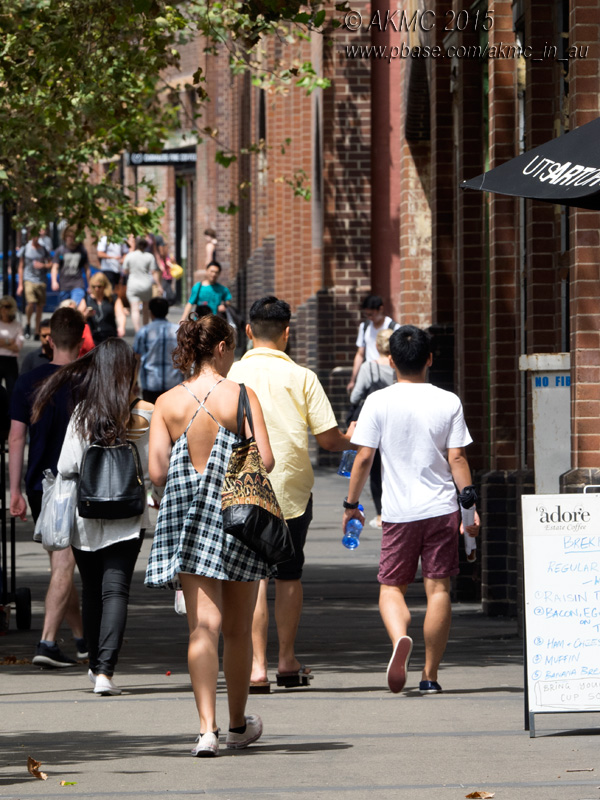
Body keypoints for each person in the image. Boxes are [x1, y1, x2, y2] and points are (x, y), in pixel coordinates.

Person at [145, 313, 273, 757]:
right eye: (232, 348)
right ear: (220, 348)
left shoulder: (166, 403)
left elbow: (157, 471)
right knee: (237, 629)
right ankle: (238, 724)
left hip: (189, 523)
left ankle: (206, 731)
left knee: (203, 626)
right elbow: (268, 460)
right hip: (236, 521)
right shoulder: (241, 396)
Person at [343, 325, 480, 695]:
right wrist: (469, 507)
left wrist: (351, 504)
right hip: (441, 509)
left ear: (391, 362)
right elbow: (458, 458)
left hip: (399, 513)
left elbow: (364, 458)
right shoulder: (448, 401)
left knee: (391, 587)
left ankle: (400, 636)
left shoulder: (378, 401)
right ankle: (430, 675)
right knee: (438, 589)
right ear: (430, 359)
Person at [228, 296, 354, 692]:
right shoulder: (303, 377)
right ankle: (286, 660)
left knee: (253, 579)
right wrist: (351, 438)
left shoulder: (230, 375)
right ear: (287, 333)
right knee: (288, 575)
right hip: (293, 489)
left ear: (248, 331)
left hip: (244, 489)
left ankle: (256, 668)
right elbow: (329, 440)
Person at [33, 339, 153, 696]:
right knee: (116, 590)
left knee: (91, 590)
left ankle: (93, 665)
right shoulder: (144, 414)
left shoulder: (84, 413)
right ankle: (105, 671)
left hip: (85, 516)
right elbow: (151, 468)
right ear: (128, 370)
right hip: (129, 515)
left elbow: (67, 466)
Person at [9, 307, 86, 667]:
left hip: (40, 485)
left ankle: (82, 638)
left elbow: (16, 438)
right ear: (81, 339)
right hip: (77, 483)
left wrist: (14, 491)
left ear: (49, 339)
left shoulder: (28, 381)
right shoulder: (89, 379)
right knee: (64, 565)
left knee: (60, 563)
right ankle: (47, 643)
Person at [349, 328, 396, 529]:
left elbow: (355, 396)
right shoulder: (398, 367)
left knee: (375, 469)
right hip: (396, 422)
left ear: (376, 346)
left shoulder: (370, 367)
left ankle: (380, 513)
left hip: (376, 425)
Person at [347, 295, 399, 394]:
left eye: (372, 314)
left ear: (381, 309)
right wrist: (353, 380)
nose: (370, 318)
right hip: (370, 373)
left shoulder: (393, 327)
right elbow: (360, 354)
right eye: (367, 315)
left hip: (389, 371)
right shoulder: (365, 327)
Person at [133, 296, 182, 402]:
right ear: (167, 311)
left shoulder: (144, 332)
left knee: (152, 415)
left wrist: (134, 382)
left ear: (151, 312)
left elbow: (136, 359)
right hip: (174, 384)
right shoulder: (178, 331)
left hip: (151, 384)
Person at [17, 230, 52, 340]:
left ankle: (37, 330)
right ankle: (28, 324)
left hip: (40, 280)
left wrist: (43, 265)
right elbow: (21, 266)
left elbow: (51, 263)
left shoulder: (43, 249)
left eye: (36, 236)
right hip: (29, 279)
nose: (35, 238)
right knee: (31, 303)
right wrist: (20, 285)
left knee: (40, 307)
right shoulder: (25, 248)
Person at [123, 237, 161, 333]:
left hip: (133, 284)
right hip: (146, 284)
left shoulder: (130, 255)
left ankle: (138, 331)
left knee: (135, 308)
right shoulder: (149, 256)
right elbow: (153, 272)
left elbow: (125, 270)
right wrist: (159, 285)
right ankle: (146, 330)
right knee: (146, 308)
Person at [51, 230, 90, 311]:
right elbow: (55, 267)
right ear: (65, 238)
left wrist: (89, 285)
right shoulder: (60, 250)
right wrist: (54, 281)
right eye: (69, 237)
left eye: (73, 237)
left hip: (78, 284)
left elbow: (87, 269)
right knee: (65, 309)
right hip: (64, 285)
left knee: (74, 307)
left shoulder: (82, 251)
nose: (71, 239)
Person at [85, 272, 126, 344]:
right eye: (94, 286)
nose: (97, 289)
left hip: (109, 337)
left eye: (99, 286)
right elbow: (79, 317)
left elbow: (120, 315)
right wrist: (86, 314)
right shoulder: (87, 299)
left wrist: (121, 327)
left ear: (105, 286)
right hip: (92, 338)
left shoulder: (113, 298)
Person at [0, 296, 24, 400]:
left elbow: (18, 347)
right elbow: (13, 345)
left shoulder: (17, 325)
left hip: (11, 361)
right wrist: (9, 341)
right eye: (2, 306)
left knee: (12, 391)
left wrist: (2, 342)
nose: (4, 309)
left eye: (7, 306)